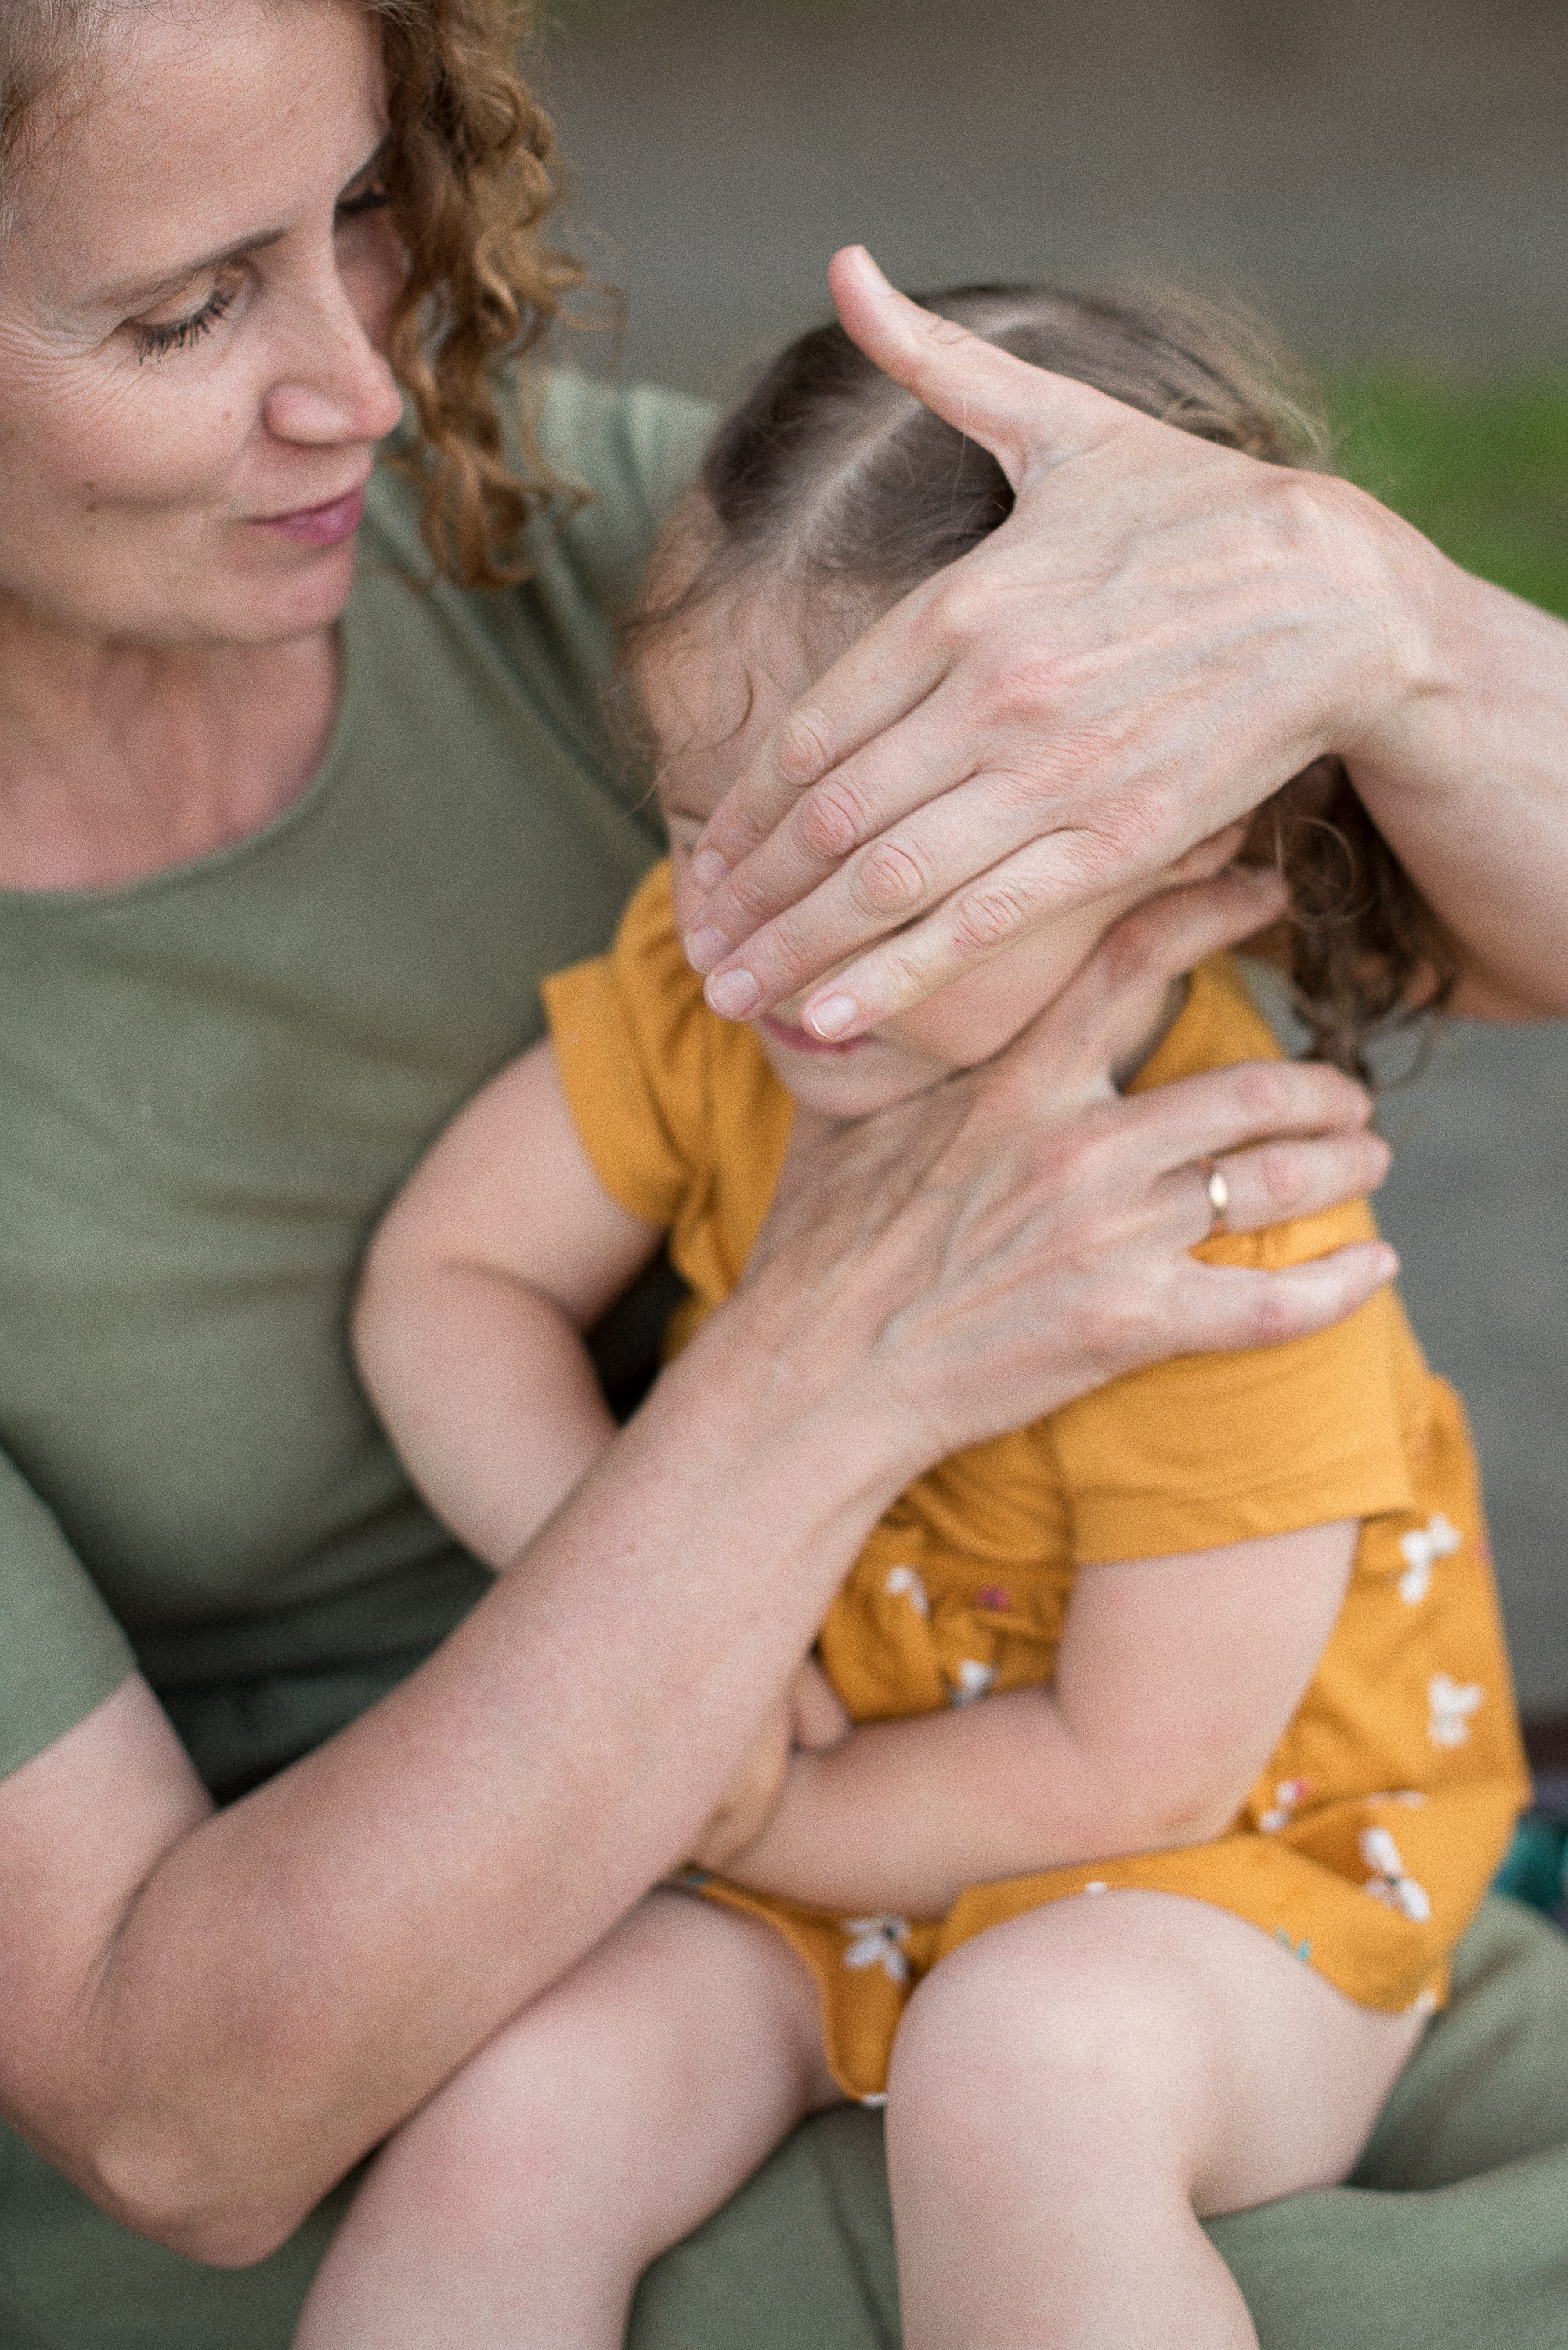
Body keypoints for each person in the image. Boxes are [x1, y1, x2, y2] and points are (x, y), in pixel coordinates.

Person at [0, 5, 1564, 2348]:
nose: (362, 384)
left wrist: (1372, 624)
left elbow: (1149, 1761)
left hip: (1162, 1886)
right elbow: (177, 2119)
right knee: (582, 2132)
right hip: (475, 1982)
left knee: (1068, 2109)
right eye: (181, 309)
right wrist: (779, 1478)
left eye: (357, 212)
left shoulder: (672, 599)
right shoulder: (726, 936)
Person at [291, 287, 1529, 2350]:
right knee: (515, 2108)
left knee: (1027, 2075)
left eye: (870, 863)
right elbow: (452, 1279)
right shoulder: (708, 1006)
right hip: (810, 1796)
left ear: (1175, 819)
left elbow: (1134, 1764)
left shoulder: (1222, 1224)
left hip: (1234, 1868)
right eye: (703, 827)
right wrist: (624, 1592)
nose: (758, 932)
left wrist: (734, 1790)